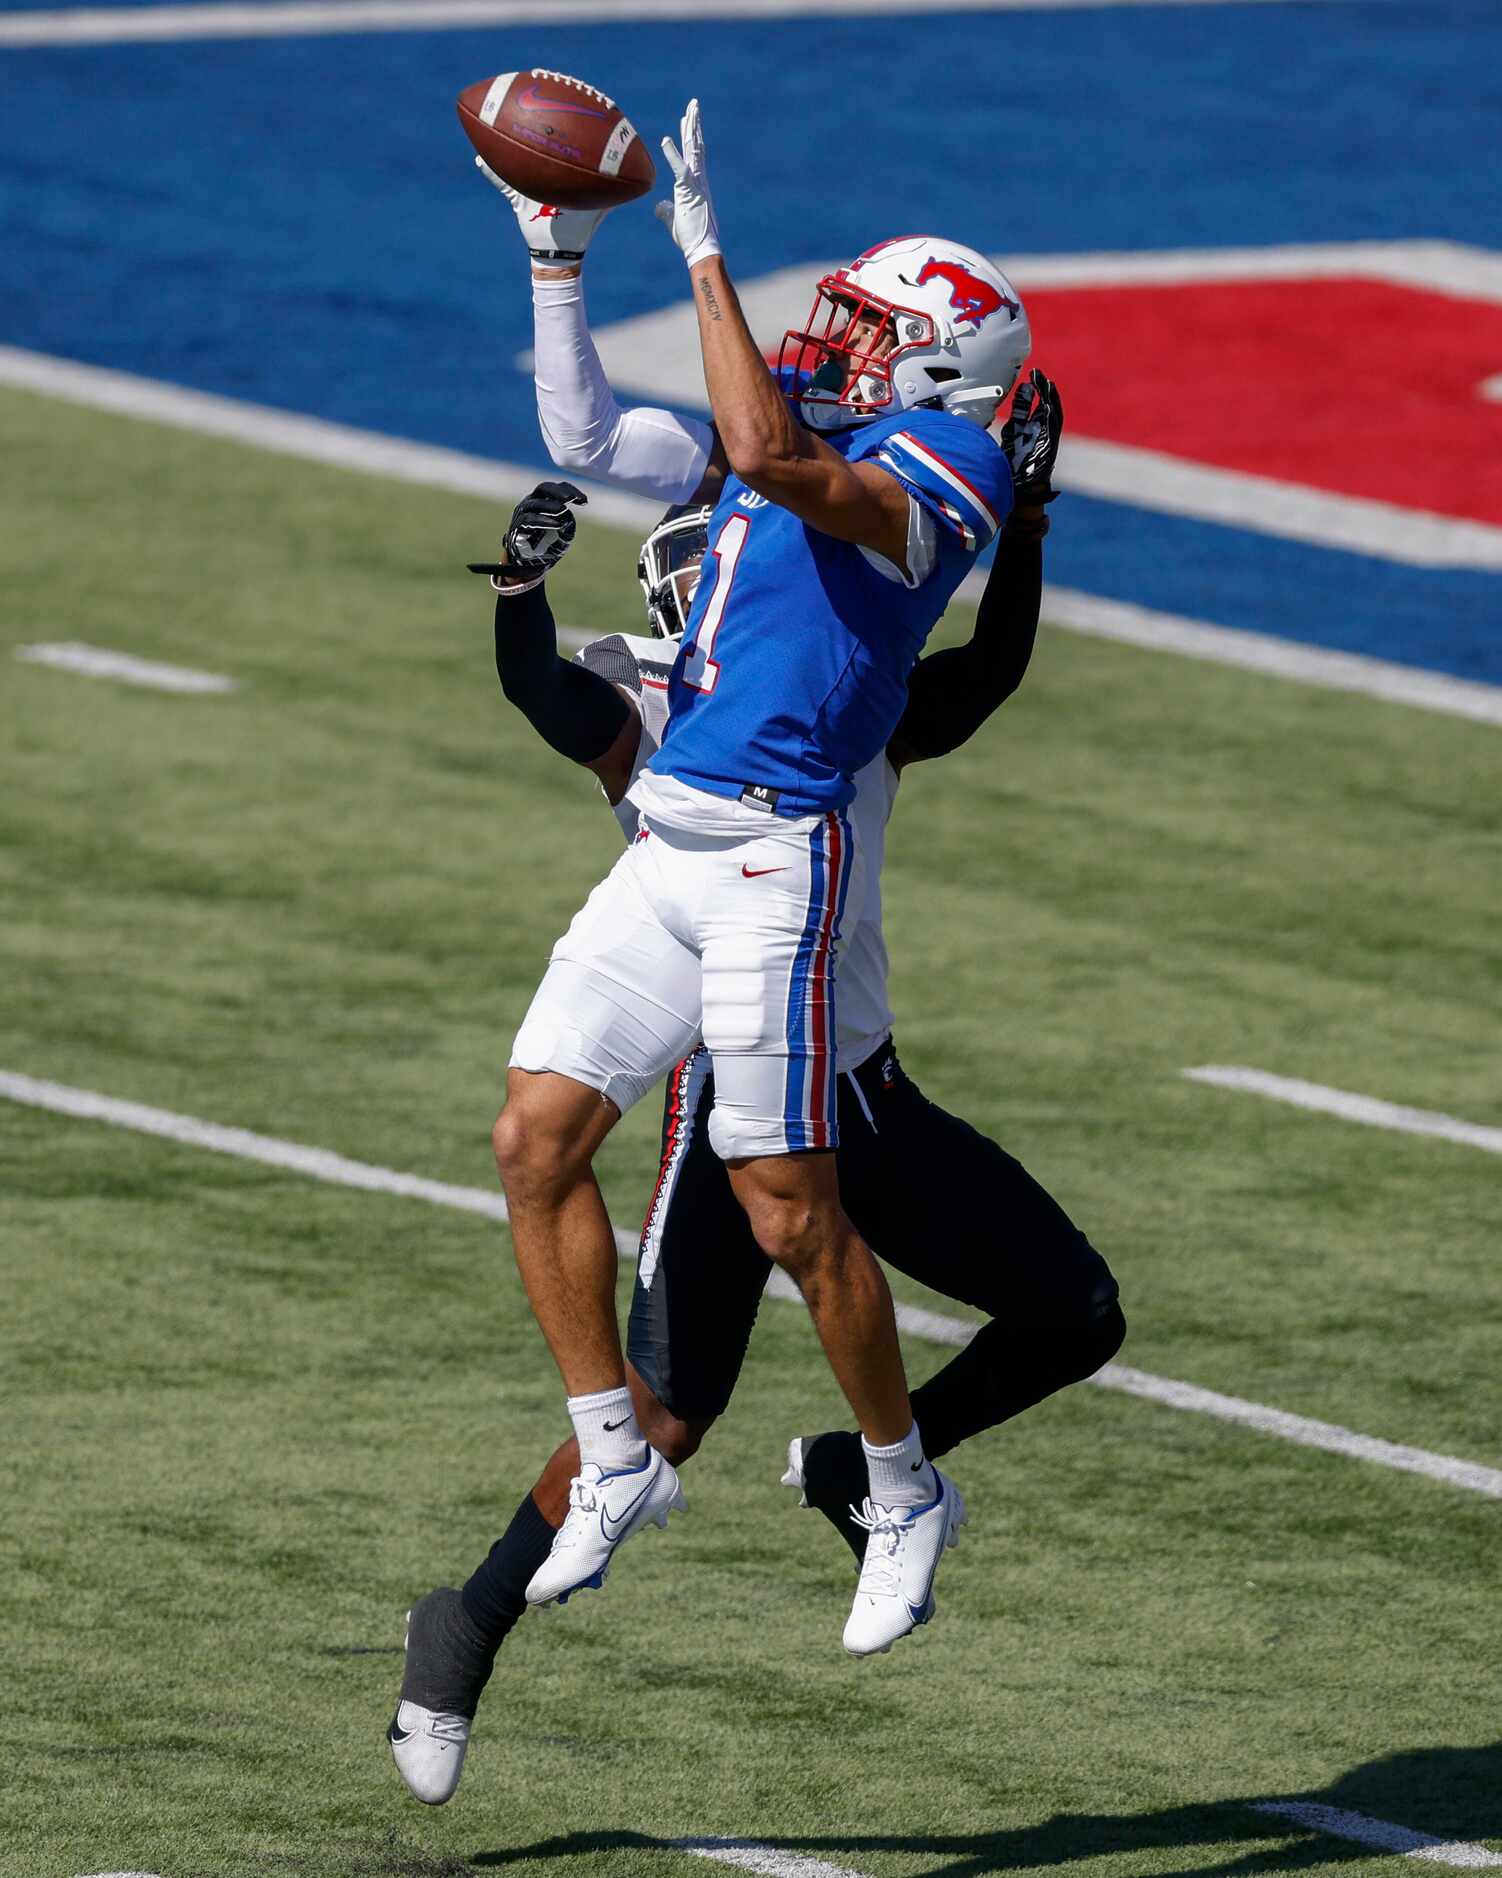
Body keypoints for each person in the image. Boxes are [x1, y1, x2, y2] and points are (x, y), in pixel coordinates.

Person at [389, 387, 1125, 1806]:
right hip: (730, 1101)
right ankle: (465, 1621)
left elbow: (985, 676)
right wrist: (519, 596)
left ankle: (869, 1469)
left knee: (1075, 1312)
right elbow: (553, 699)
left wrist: (1020, 522)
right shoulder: (666, 718)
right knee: (660, 1417)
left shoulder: (843, 694)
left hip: (862, 1089)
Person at [448, 98, 1030, 1685]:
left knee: (789, 1210)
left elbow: (768, 452)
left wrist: (696, 244)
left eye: (864, 326)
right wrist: (556, 259)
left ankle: (903, 1489)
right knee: (531, 1135)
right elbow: (593, 439)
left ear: (935, 367)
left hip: (782, 847)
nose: (827, 339)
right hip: (672, 838)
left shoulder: (945, 465)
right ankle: (609, 1449)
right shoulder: (804, 426)